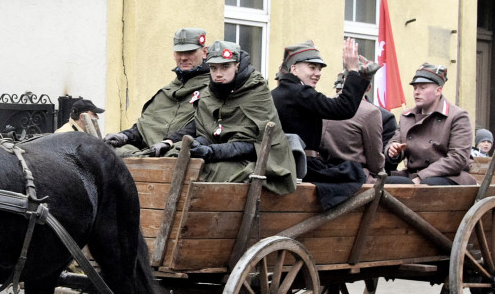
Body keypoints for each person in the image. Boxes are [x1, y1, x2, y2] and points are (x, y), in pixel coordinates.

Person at [156, 41, 296, 192]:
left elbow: (252, 145)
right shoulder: (209, 93)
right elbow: (208, 132)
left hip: (263, 162)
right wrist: (196, 145)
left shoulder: (256, 91)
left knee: (209, 172)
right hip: (222, 154)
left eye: (225, 67)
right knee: (173, 159)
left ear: (237, 65)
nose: (218, 74)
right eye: (213, 68)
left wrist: (211, 152)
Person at [271, 38, 374, 209]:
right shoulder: (300, 92)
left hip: (284, 167)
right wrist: (353, 70)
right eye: (312, 67)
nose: (318, 73)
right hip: (302, 168)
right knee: (354, 172)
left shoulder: (276, 93)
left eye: (319, 69)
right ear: (294, 69)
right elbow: (343, 108)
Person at [103, 28, 210, 155]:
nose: (183, 58)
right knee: (109, 151)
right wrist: (125, 136)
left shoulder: (213, 90)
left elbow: (202, 127)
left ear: (204, 52)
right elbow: (146, 126)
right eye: (179, 52)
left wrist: (169, 142)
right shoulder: (167, 91)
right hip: (149, 154)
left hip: (180, 154)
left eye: (190, 52)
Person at [385, 63, 476, 185]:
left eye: (423, 88)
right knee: (382, 183)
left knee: (427, 186)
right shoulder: (407, 116)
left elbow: (457, 158)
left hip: (449, 176)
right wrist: (393, 151)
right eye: (415, 88)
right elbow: (394, 143)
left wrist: (422, 177)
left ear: (438, 90)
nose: (417, 92)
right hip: (413, 174)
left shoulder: (457, 116)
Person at [321, 71, 385, 182]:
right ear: (369, 88)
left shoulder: (327, 103)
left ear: (345, 81)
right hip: (354, 178)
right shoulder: (370, 112)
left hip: (324, 174)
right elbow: (376, 164)